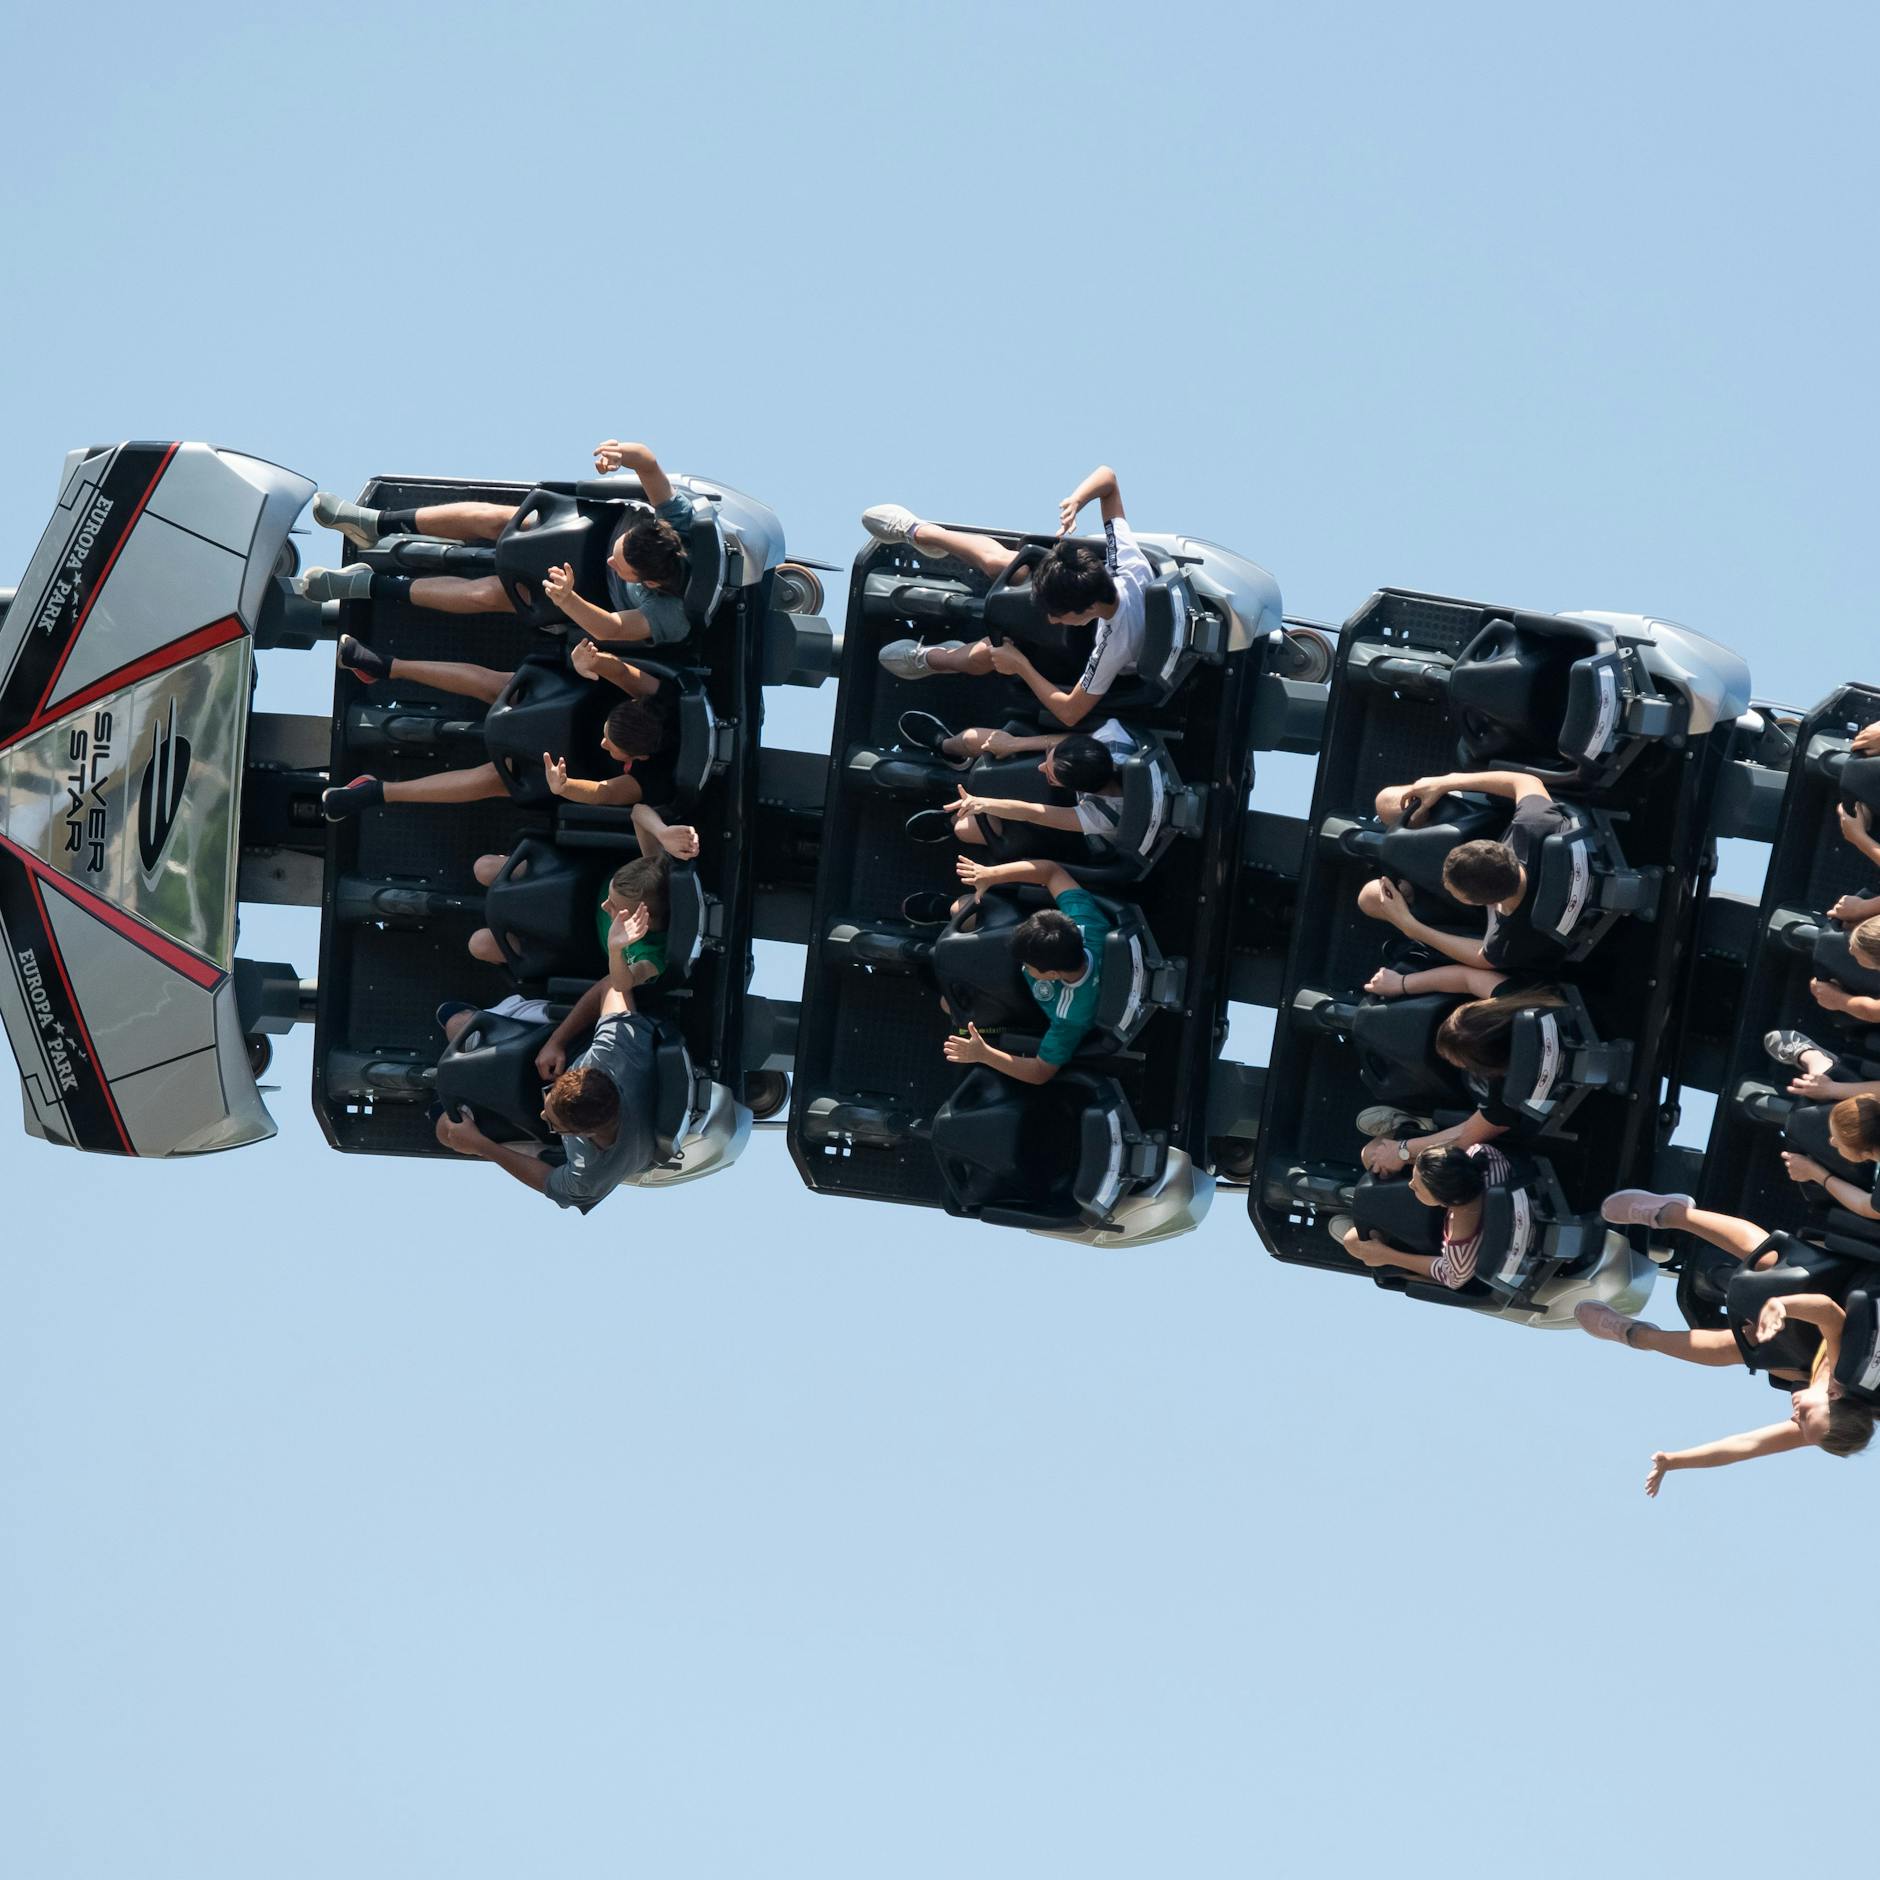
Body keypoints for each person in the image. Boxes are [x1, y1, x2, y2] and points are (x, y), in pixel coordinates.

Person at [1576, 1189, 1876, 1492]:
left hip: (1819, 1334)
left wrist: (1675, 1461)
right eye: (1804, 1416)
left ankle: (1637, 1335)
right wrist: (1783, 1307)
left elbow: (1747, 1445)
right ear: (1835, 1397)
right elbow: (1828, 1313)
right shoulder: (1844, 1374)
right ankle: (1674, 1213)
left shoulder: (1821, 1426)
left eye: (1799, 1423)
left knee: (1742, 1350)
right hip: (1846, 1284)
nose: (1794, 1416)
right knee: (1772, 1262)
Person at [295, 440, 702, 644]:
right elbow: (647, 462)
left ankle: (368, 586)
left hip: (579, 596)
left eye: (622, 568)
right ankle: (375, 523)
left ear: (647, 584)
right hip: (580, 531)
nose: (615, 563)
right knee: (498, 519)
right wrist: (619, 453)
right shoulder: (679, 526)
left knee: (488, 593)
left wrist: (568, 600)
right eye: (621, 552)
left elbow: (613, 628)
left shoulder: (671, 614)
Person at [865, 464, 1153, 727]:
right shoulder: (1127, 563)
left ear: (1086, 610)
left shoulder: (1113, 647)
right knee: (1001, 565)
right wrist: (1076, 501)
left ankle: (935, 659)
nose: (1051, 620)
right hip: (1079, 590)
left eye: (1057, 615)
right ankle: (923, 532)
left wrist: (1020, 665)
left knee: (990, 654)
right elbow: (1108, 479)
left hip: (1078, 654)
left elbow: (1069, 712)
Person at [434, 904, 661, 1208]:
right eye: (550, 1104)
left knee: (447, 1132)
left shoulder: (594, 1174)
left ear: (583, 1134)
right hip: (562, 1047)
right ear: (587, 1073)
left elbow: (547, 1182)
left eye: (554, 1123)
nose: (545, 1114)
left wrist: (481, 1146)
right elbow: (611, 986)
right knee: (457, 1026)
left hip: (546, 1141)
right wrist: (558, 1041)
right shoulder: (615, 1053)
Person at [319, 634, 668, 820]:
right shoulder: (655, 697)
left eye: (613, 747)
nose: (605, 744)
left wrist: (566, 786)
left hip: (565, 769)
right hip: (567, 703)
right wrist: (591, 659)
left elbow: (605, 793)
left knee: (492, 780)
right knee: (503, 686)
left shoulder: (645, 779)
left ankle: (375, 792)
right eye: (608, 737)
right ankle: (385, 666)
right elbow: (621, 673)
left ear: (639, 757)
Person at [1356, 769, 1578, 973]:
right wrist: (1446, 782)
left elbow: (1484, 959)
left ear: (1473, 902)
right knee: (1386, 802)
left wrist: (1411, 927)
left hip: (1478, 917)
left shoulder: (1510, 938)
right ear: (1499, 848)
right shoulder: (1536, 824)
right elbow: (1525, 781)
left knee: (1369, 897)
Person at [1353, 980, 1568, 1173]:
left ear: (1484, 1068)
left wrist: (1401, 1150)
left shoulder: (1506, 1099)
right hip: (1479, 1110)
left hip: (1474, 1123)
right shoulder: (1527, 1002)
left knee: (1370, 1155)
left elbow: (1464, 1137)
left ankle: (1421, 1125)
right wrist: (1401, 983)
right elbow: (1467, 978)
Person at [940, 857, 1111, 1085]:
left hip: (1023, 1004)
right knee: (960, 907)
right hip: (1016, 962)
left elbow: (1040, 1072)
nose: (1025, 967)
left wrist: (983, 1054)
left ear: (1051, 974)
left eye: (1028, 966)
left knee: (946, 1003)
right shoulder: (1087, 924)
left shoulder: (1070, 1017)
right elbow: (1051, 871)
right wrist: (991, 874)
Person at [906, 730, 1135, 854]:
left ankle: (954, 818)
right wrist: (1015, 743)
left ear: (1075, 789)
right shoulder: (1114, 736)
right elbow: (1073, 741)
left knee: (963, 830)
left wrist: (982, 803)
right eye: (1049, 757)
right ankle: (947, 746)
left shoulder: (1104, 817)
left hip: (1073, 833)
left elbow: (1034, 814)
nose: (1040, 767)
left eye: (1050, 775)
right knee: (972, 738)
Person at [1329, 1141, 1511, 1289]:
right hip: (1496, 1209)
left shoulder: (1460, 1256)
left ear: (1444, 1204)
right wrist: (1403, 1154)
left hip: (1440, 1240)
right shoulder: (1489, 1157)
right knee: (1370, 1154)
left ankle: (1358, 1228)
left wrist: (1386, 1255)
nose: (1410, 1185)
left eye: (1416, 1188)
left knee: (1352, 1242)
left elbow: (1453, 1277)